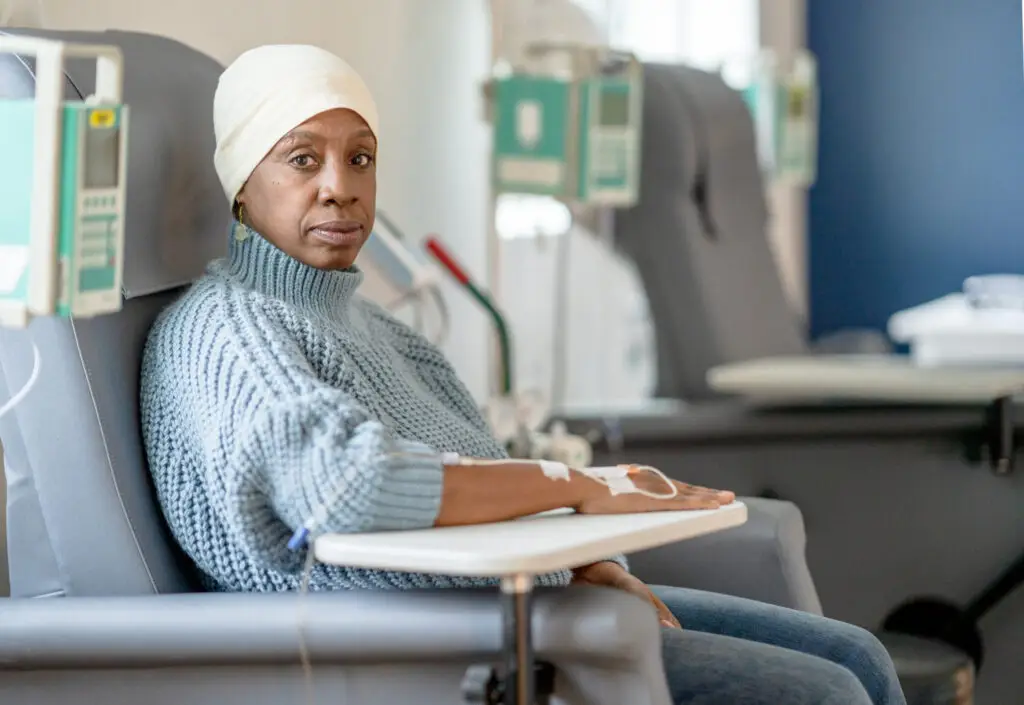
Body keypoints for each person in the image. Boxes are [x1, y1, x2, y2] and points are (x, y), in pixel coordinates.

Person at [140, 44, 906, 705]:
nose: (338, 185)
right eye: (302, 159)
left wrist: (591, 563)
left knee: (857, 655)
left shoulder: (389, 336)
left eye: (360, 157)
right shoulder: (224, 330)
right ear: (243, 183)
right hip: (413, 648)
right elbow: (346, 484)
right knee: (828, 692)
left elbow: (487, 474)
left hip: (526, 607)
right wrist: (581, 485)